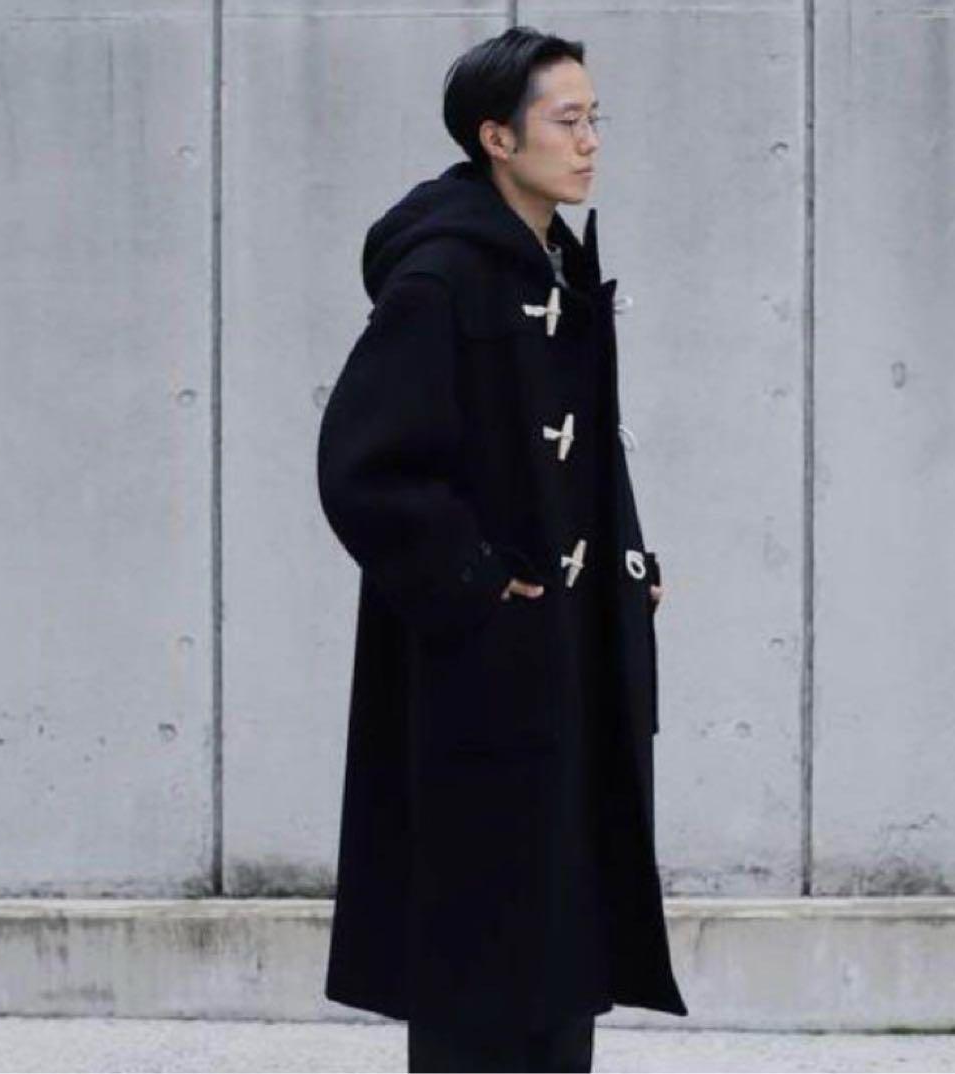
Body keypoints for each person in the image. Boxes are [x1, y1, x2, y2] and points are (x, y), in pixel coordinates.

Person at [315, 25, 687, 1073]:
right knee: (481, 947)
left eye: (595, 118)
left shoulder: (555, 265)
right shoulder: (440, 278)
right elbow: (365, 468)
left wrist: (628, 566)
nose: (590, 142)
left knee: (560, 941)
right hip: (479, 668)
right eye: (567, 121)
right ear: (497, 138)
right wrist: (477, 578)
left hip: (565, 658)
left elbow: (562, 452)